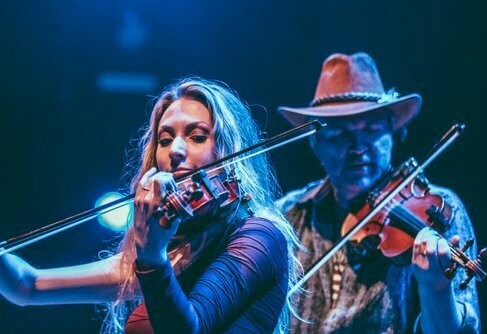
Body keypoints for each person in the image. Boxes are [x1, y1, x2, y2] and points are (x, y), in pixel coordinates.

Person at [0, 76, 302, 333]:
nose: (176, 150)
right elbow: (27, 285)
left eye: (197, 137)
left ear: (230, 151)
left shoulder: (259, 237)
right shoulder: (171, 252)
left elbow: (187, 328)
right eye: (165, 139)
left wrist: (151, 254)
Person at [276, 52, 481, 333]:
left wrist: (436, 288)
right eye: (339, 134)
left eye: (371, 129)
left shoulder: (437, 211)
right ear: (316, 144)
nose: (358, 146)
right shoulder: (287, 215)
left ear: (394, 133)